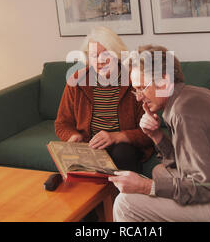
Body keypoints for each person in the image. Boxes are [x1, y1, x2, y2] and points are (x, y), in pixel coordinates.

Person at [108, 45, 210, 222]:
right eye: (135, 89)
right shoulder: (189, 95)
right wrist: (156, 135)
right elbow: (184, 165)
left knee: (126, 204)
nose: (138, 97)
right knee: (160, 172)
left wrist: (145, 187)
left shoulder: (184, 111)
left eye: (142, 88)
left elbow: (205, 188)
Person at [54, 27, 154, 173]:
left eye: (106, 54)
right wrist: (73, 136)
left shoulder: (134, 79)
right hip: (90, 146)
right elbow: (62, 123)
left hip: (125, 146)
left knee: (122, 153)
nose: (100, 61)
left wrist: (116, 136)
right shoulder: (77, 80)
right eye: (94, 55)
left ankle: (127, 195)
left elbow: (148, 132)